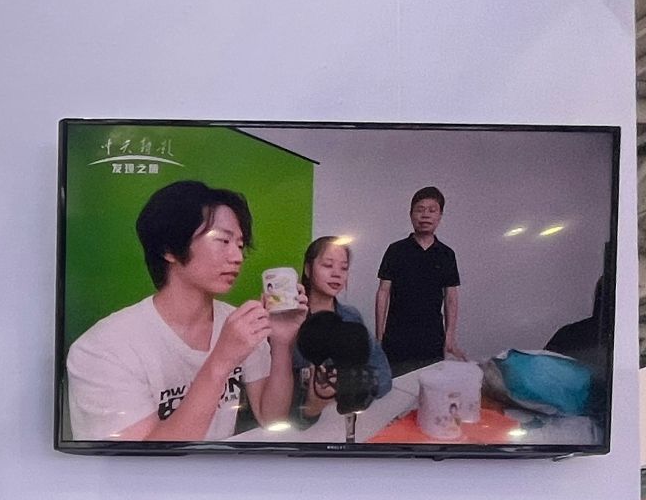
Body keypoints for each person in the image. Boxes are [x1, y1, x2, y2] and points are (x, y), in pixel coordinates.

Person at [65, 179, 301, 442]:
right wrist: (222, 359)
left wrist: (281, 342)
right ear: (169, 249)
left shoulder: (237, 323)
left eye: (239, 244)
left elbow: (272, 419)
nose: (237, 257)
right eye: (223, 240)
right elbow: (142, 458)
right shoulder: (103, 348)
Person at [293, 235, 392, 414]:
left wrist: (351, 393)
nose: (337, 274)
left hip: (344, 415)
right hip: (303, 419)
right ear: (308, 269)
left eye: (344, 268)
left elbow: (383, 374)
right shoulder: (289, 321)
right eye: (328, 265)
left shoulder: (351, 317)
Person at [375, 185, 463, 374]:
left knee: (430, 387)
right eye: (420, 210)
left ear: (440, 216)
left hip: (432, 339)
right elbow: (383, 292)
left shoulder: (446, 254)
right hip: (396, 338)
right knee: (396, 386)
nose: (425, 215)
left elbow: (451, 297)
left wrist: (450, 337)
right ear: (411, 214)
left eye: (432, 210)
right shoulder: (396, 250)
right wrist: (379, 336)